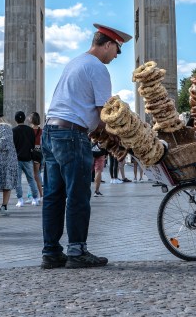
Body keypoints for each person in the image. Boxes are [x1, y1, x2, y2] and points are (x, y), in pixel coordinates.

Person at [41, 22, 130, 269]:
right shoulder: (98, 68)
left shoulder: (75, 62)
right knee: (78, 195)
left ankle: (51, 252)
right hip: (71, 134)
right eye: (116, 51)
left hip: (50, 131)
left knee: (53, 196)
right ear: (108, 44)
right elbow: (105, 116)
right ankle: (77, 251)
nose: (115, 57)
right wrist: (124, 137)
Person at [0, 112, 20, 212]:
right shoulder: (6, 127)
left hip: (4, 159)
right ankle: (3, 205)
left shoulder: (2, 127)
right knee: (6, 183)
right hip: (9, 159)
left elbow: (4, 141)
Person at [12, 111, 40, 205]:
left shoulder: (14, 130)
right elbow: (32, 143)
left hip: (17, 158)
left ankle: (20, 200)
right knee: (31, 179)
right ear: (24, 119)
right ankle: (35, 199)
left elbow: (13, 145)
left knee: (18, 180)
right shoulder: (30, 130)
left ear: (15, 120)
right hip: (28, 157)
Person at [30, 112, 44, 198]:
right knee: (36, 174)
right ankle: (40, 194)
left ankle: (37, 195)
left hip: (30, 152)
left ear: (32, 119)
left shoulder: (29, 130)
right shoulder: (42, 131)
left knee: (32, 175)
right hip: (39, 153)